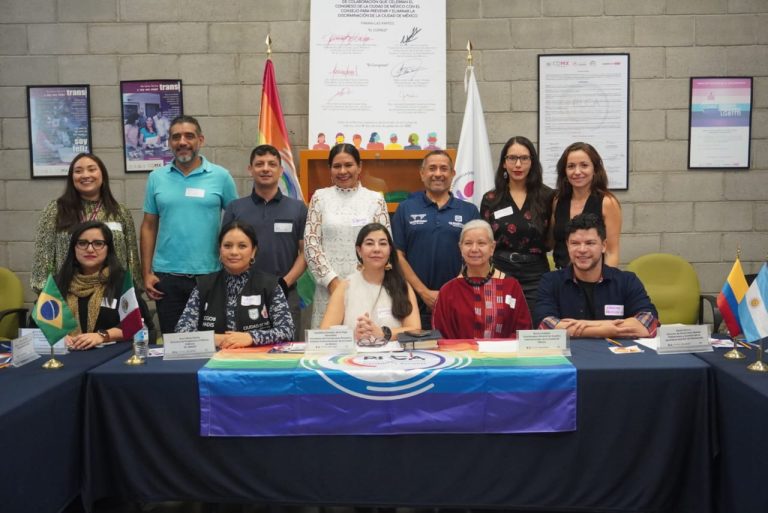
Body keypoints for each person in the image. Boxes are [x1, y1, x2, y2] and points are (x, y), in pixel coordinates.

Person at [141, 115, 238, 335]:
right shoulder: (156, 178)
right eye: (176, 137)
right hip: (166, 278)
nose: (182, 141)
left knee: (212, 343)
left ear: (200, 140)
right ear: (169, 143)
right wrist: (146, 273)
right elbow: (148, 226)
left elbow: (235, 224)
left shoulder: (221, 177)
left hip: (210, 275)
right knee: (173, 345)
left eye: (189, 136)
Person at [222, 144, 308, 337]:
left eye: (272, 164)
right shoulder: (235, 208)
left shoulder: (298, 209)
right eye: (259, 164)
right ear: (250, 169)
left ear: (280, 170)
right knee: (242, 351)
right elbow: (224, 250)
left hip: (285, 291)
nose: (265, 168)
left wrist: (284, 283)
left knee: (286, 353)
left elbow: (305, 253)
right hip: (242, 293)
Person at [304, 143, 390, 327]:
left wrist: (362, 282)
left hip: (367, 287)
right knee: (328, 346)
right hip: (328, 289)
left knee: (366, 340)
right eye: (337, 166)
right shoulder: (320, 198)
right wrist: (333, 283)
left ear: (359, 167)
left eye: (349, 165)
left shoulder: (375, 199)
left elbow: (384, 245)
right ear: (330, 169)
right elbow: (311, 245)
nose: (343, 171)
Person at [392, 150, 479, 328]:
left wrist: (450, 293)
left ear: (453, 174)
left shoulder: (469, 211)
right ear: (422, 173)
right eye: (432, 168)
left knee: (458, 352)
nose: (438, 174)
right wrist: (424, 293)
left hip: (458, 301)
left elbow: (477, 257)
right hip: (413, 302)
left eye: (443, 169)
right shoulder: (405, 209)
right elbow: (397, 255)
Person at [31, 153, 141, 294]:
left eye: (91, 169)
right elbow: (42, 261)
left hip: (113, 294)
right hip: (67, 297)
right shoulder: (55, 210)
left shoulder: (120, 212)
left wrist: (132, 292)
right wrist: (48, 296)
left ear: (103, 175)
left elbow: (132, 260)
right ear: (72, 178)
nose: (85, 175)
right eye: (78, 171)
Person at [535, 213, 658, 338]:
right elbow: (545, 325)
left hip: (618, 356)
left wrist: (583, 326)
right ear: (567, 246)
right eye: (575, 243)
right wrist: (604, 330)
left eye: (590, 243)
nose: (582, 249)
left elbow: (648, 323)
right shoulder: (550, 281)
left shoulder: (627, 281)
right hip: (572, 356)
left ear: (603, 246)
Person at [176, 221, 294, 348]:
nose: (234, 252)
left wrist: (251, 337)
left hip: (258, 360)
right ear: (219, 250)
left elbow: (287, 331)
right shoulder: (204, 285)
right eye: (227, 246)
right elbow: (181, 332)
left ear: (253, 251)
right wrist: (217, 339)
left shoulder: (271, 285)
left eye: (242, 246)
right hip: (212, 361)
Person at [480, 136, 554, 313]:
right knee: (501, 325)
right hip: (500, 271)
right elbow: (484, 240)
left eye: (524, 158)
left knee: (534, 327)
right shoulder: (491, 199)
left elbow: (553, 239)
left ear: (532, 162)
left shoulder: (548, 197)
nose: (518, 164)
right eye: (512, 158)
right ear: (504, 163)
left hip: (536, 274)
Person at [49, 221, 149, 350]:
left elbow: (138, 323)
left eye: (98, 243)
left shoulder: (121, 281)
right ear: (74, 248)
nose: (90, 249)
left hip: (110, 356)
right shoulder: (58, 283)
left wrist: (102, 336)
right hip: (66, 354)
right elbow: (38, 324)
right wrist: (58, 337)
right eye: (82, 243)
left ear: (108, 248)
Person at [320, 223, 420, 342]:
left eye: (383, 244)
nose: (376, 249)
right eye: (369, 243)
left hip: (393, 358)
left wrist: (383, 333)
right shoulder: (346, 286)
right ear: (359, 250)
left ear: (390, 250)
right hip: (354, 357)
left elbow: (415, 330)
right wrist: (352, 336)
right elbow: (324, 333)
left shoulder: (402, 285)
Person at [433, 220, 531, 339]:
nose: (474, 249)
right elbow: (440, 336)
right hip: (461, 356)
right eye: (468, 243)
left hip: (504, 356)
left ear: (492, 247)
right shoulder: (448, 291)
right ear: (460, 248)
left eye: (481, 243)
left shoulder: (511, 286)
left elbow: (523, 332)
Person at [552, 142, 622, 268]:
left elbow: (612, 252)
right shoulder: (558, 201)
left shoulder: (607, 202)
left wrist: (604, 284)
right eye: (571, 166)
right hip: (561, 278)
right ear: (565, 172)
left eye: (584, 165)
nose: (577, 172)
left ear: (595, 169)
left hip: (595, 279)